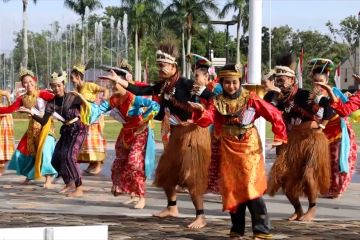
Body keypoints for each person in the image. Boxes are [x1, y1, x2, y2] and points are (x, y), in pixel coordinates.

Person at [99, 40, 214, 229]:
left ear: (173, 66)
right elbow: (141, 90)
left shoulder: (187, 84)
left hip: (192, 134)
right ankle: (172, 208)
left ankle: (200, 215)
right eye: (158, 65)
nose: (159, 69)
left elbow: (211, 98)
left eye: (163, 65)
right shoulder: (163, 85)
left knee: (190, 175)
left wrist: (201, 106)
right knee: (166, 172)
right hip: (175, 134)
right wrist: (119, 80)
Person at [189, 63, 287, 240]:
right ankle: (237, 229)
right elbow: (208, 118)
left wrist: (279, 136)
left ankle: (262, 231)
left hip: (249, 146)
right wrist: (200, 111)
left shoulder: (251, 99)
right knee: (232, 188)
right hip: (227, 146)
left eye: (234, 82)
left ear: (239, 81)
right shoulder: (217, 100)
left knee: (251, 188)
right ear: (222, 83)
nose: (231, 86)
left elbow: (274, 114)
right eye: (227, 83)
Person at [265, 65, 331, 222]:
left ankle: (312, 208)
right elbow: (263, 104)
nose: (279, 83)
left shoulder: (305, 94)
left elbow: (328, 107)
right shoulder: (277, 96)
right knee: (281, 177)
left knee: (308, 174)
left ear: (292, 80)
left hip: (311, 140)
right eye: (277, 80)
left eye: (282, 80)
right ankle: (298, 210)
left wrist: (321, 125)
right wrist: (269, 85)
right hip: (290, 141)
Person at [101, 64, 159, 209]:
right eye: (112, 83)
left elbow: (155, 106)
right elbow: (99, 109)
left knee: (134, 163)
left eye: (115, 83)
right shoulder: (114, 99)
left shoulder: (134, 98)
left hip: (139, 133)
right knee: (121, 161)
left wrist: (144, 120)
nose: (113, 86)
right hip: (125, 132)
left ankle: (141, 196)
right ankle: (130, 193)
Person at [22, 71, 87, 197]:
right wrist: (32, 114)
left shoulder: (73, 97)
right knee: (56, 157)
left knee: (69, 157)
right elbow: (44, 121)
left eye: (59, 85)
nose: (56, 88)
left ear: (63, 84)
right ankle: (69, 183)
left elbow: (89, 103)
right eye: (53, 86)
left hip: (78, 129)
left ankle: (79, 188)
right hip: (67, 130)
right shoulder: (52, 104)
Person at [308, 58, 357, 198]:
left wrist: (322, 124)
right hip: (323, 133)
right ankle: (325, 186)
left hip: (337, 132)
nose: (318, 84)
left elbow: (331, 110)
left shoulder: (332, 93)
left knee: (336, 161)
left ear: (327, 80)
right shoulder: (312, 95)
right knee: (324, 161)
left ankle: (337, 189)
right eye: (315, 82)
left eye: (321, 82)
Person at [1, 68, 57, 188]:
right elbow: (10, 109)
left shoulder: (43, 94)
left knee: (45, 151)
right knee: (24, 153)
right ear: (22, 85)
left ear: (35, 82)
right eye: (25, 82)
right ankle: (29, 175)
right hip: (32, 129)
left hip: (45, 126)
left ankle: (48, 179)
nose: (29, 84)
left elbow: (57, 99)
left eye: (31, 81)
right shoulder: (22, 98)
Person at [70, 64, 109, 175]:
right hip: (85, 118)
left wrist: (103, 98)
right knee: (86, 142)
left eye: (72, 78)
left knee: (93, 142)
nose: (72, 81)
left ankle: (98, 164)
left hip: (94, 118)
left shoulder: (89, 86)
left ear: (78, 77)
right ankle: (91, 163)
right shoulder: (77, 89)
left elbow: (105, 89)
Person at [0, 90, 15, 175]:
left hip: (3, 118)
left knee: (2, 143)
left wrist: (9, 101)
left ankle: (1, 168)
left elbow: (6, 93)